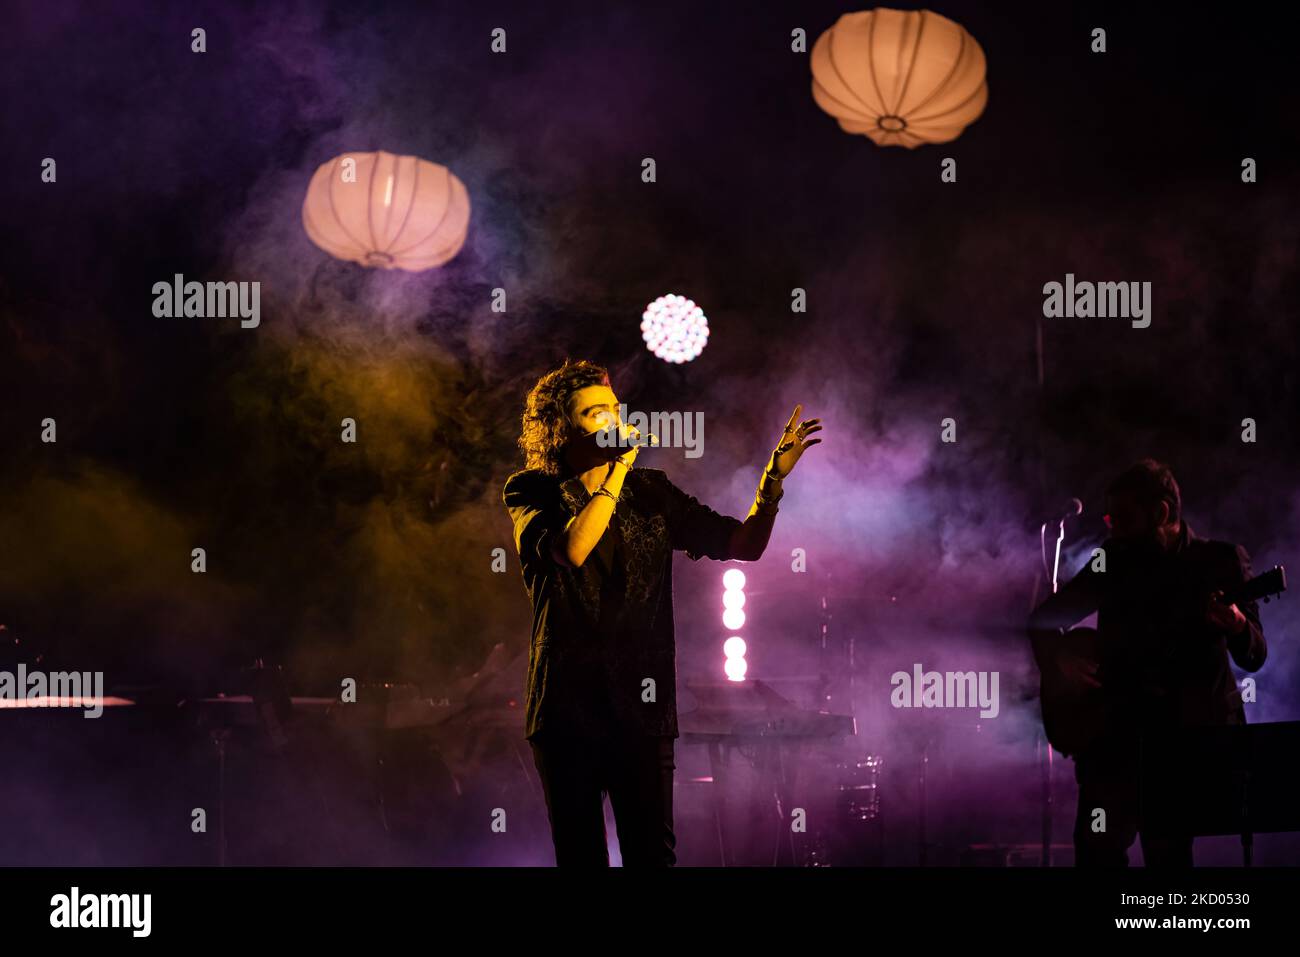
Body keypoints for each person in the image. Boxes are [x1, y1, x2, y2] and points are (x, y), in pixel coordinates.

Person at [502, 358, 821, 865]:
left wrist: (771, 485)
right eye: (593, 413)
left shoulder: (651, 492)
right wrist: (614, 472)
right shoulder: (532, 490)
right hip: (567, 711)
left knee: (652, 858)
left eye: (612, 408)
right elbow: (571, 550)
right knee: (581, 858)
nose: (610, 419)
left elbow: (742, 543)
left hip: (642, 711)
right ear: (563, 427)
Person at [1027, 459, 1267, 866]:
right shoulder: (1114, 559)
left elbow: (1254, 654)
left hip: (1179, 747)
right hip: (1113, 739)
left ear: (1161, 513)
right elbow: (1044, 620)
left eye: (1122, 518)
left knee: (1168, 856)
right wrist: (1060, 659)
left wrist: (1238, 623)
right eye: (1110, 518)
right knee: (1096, 851)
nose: (1113, 528)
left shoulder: (1219, 562)